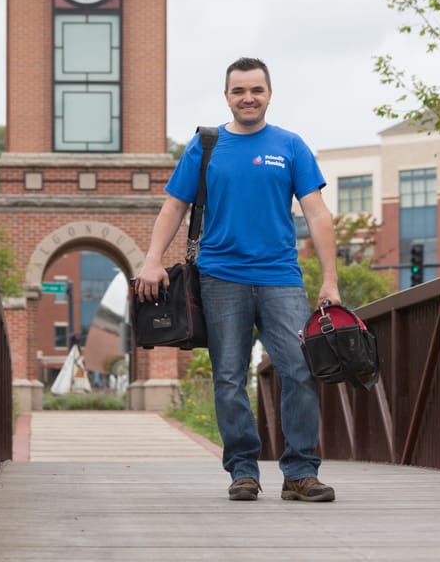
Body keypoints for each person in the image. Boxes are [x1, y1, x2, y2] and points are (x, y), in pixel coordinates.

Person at [135, 57, 341, 502]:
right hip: (220, 277)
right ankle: (243, 471)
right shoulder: (205, 147)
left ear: (269, 94)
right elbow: (174, 206)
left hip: (281, 278)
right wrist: (152, 260)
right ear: (227, 96)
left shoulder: (290, 146)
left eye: (256, 90)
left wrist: (331, 281)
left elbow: (317, 214)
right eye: (239, 91)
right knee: (228, 377)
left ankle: (301, 472)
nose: (248, 98)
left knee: (300, 371)